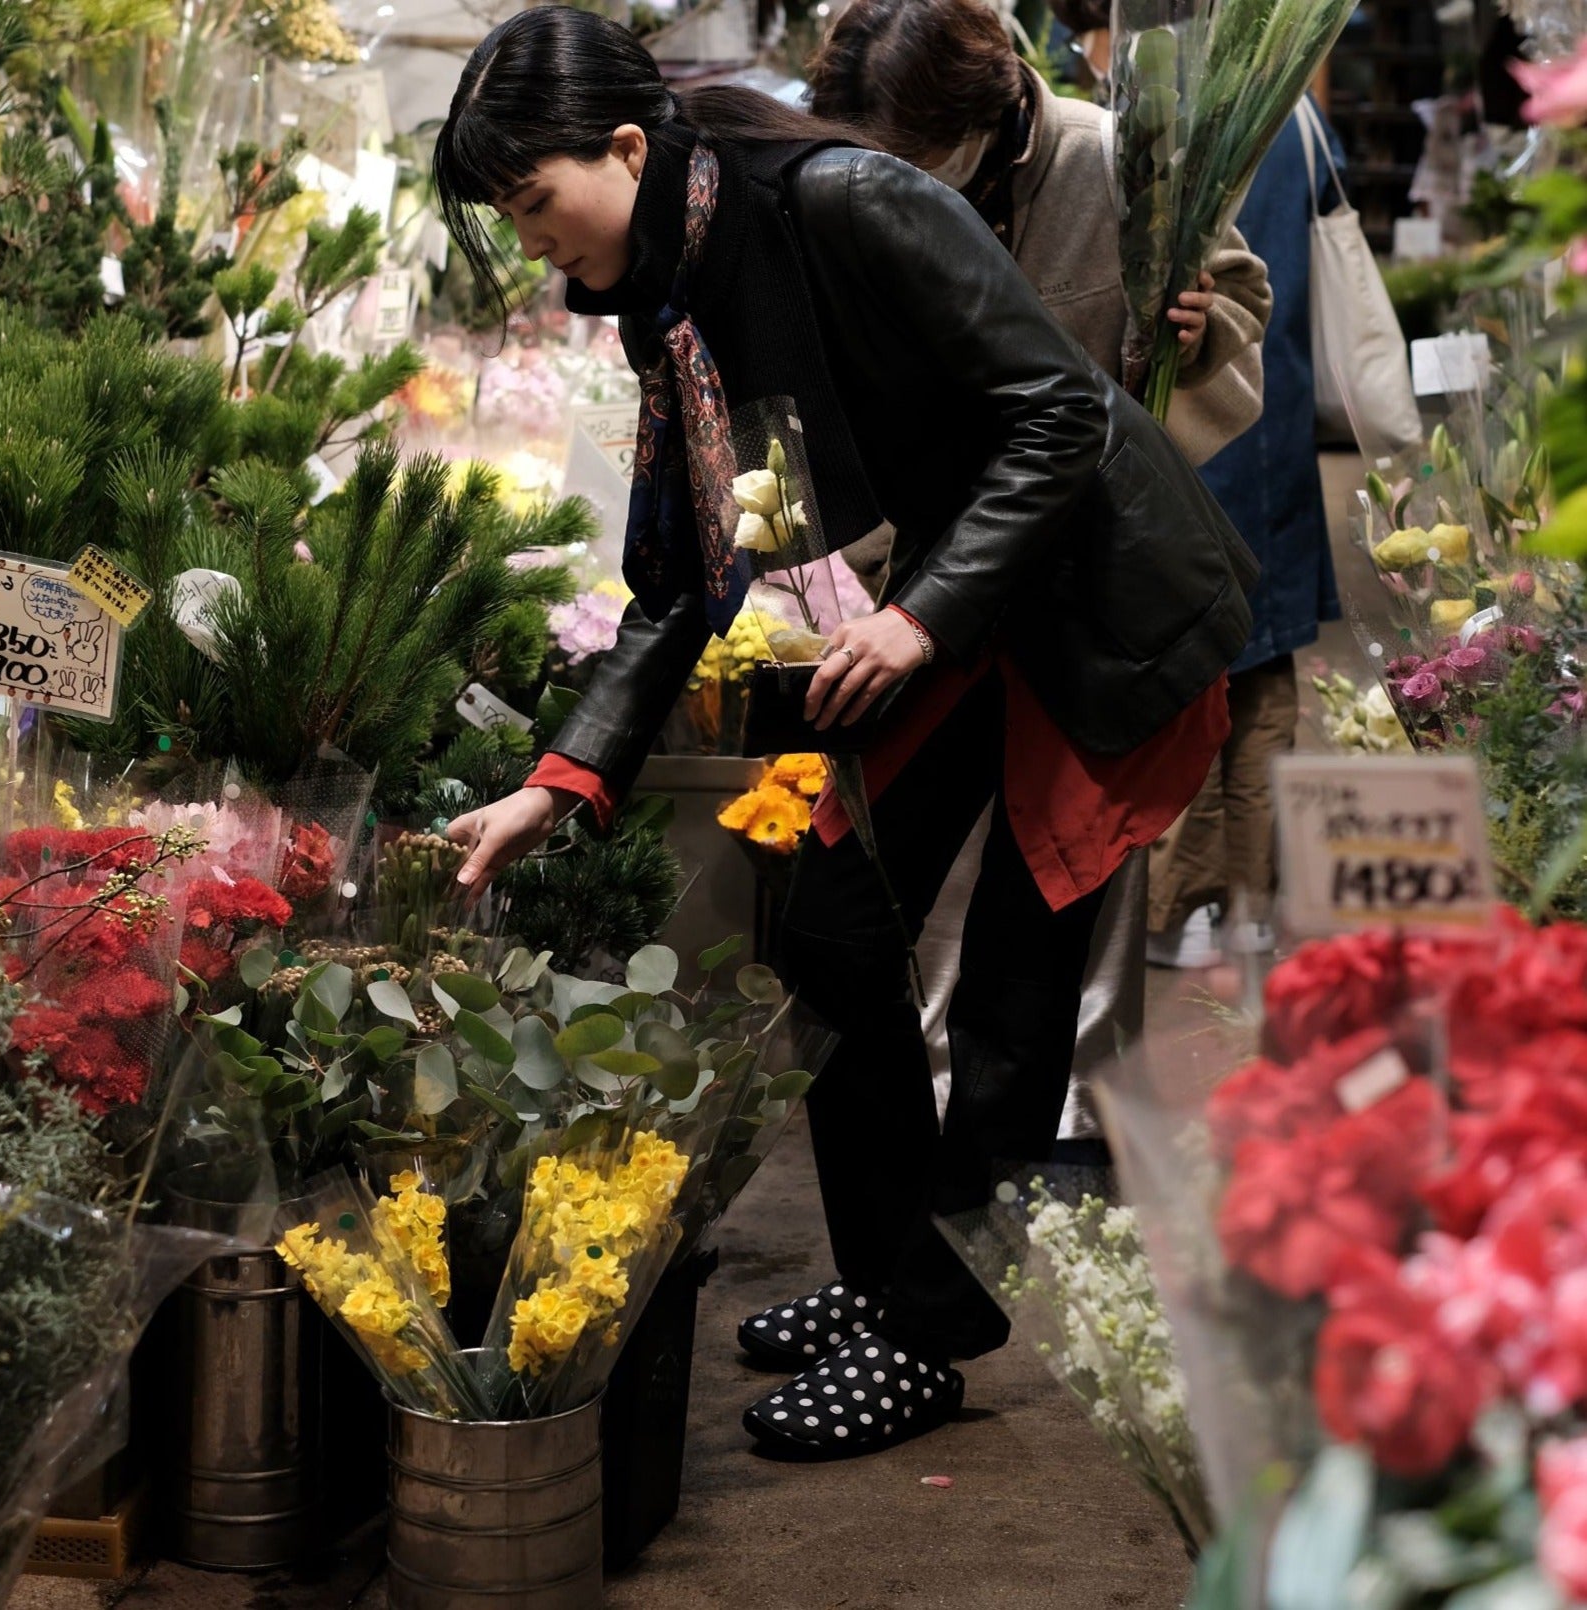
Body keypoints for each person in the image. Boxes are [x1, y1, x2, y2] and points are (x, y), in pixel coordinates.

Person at [434, 6, 1257, 1459]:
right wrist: (556, 783)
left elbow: (1060, 419)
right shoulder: (674, 299)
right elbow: (680, 578)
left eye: (531, 201)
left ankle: (929, 1328)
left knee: (1010, 1001)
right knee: (828, 928)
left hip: (1092, 617)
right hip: (965, 607)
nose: (530, 239)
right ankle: (886, 1269)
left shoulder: (847, 200)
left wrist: (917, 619)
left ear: (624, 148)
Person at [807, 0, 1270, 1161]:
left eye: (911, 161)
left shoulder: (1117, 164)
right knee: (848, 913)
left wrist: (1195, 327)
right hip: (938, 589)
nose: (891, 183)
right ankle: (894, 1246)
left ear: (984, 117)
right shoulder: (851, 184)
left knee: (1034, 933)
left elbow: (1239, 312)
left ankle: (970, 1237)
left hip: (1090, 594)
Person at [1146, 103, 1346, 966]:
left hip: (1200, 424)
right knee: (1266, 681)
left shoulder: (1172, 109)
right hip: (1281, 415)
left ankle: (1180, 907)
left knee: (1191, 677)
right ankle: (1255, 903)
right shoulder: (1297, 110)